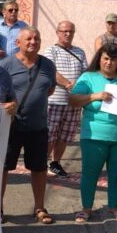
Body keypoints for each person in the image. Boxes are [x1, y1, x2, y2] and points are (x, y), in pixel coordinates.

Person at [68, 44, 117, 222]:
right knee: (90, 173)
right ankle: (86, 208)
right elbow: (72, 99)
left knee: (116, 174)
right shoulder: (88, 77)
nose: (109, 62)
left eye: (113, 59)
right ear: (99, 58)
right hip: (94, 136)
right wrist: (95, 96)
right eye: (105, 58)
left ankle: (114, 207)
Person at [0, 27, 58, 224]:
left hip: (38, 126)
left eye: (37, 38)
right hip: (11, 127)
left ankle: (39, 208)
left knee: (39, 168)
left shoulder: (48, 65)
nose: (33, 42)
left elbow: (49, 89)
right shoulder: (5, 64)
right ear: (17, 43)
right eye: (29, 39)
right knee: (3, 168)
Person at [42, 21, 88, 177]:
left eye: (71, 31)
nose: (68, 34)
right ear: (58, 32)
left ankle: (55, 163)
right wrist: (69, 84)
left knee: (65, 135)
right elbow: (51, 72)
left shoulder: (80, 52)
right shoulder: (51, 51)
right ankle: (42, 163)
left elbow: (85, 73)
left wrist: (79, 84)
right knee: (50, 135)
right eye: (65, 31)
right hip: (54, 101)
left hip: (74, 103)